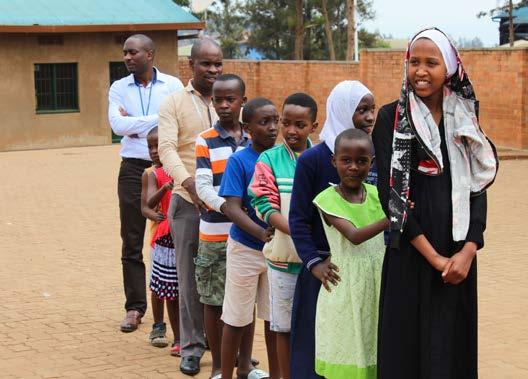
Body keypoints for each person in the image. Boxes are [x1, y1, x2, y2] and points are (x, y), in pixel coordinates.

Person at [372, 27, 498, 378]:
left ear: (450, 69)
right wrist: (436, 258)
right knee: (407, 350)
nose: (421, 71)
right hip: (412, 253)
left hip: (458, 257)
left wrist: (468, 251)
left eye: (431, 62)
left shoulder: (466, 117)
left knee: (450, 349)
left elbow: (478, 188)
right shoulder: (390, 119)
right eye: (414, 62)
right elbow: (391, 195)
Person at [288, 80, 375, 379]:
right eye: (361, 110)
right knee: (317, 346)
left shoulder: (372, 157)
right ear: (342, 110)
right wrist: (314, 263)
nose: (369, 117)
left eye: (371, 109)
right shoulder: (313, 160)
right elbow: (298, 218)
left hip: (365, 273)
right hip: (329, 271)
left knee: (360, 344)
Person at [108, 34, 183, 332]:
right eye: (125, 53)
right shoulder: (118, 88)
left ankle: (181, 306)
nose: (127, 57)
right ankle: (135, 308)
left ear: (149, 54)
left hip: (169, 167)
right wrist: (157, 121)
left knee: (177, 234)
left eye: (133, 52)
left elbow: (175, 122)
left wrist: (136, 124)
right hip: (132, 168)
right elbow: (117, 126)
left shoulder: (173, 86)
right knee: (131, 239)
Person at [158, 37, 223, 376]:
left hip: (225, 207)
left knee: (223, 276)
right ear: (191, 65)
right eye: (206, 64)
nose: (213, 70)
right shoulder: (173, 103)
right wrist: (189, 184)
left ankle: (227, 347)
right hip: (186, 203)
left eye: (218, 64)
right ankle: (193, 347)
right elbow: (167, 149)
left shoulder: (231, 99)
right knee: (189, 279)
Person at [249, 93, 318, 379]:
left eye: (300, 125)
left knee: (315, 327)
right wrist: (300, 232)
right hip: (283, 260)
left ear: (313, 126)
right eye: (285, 123)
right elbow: (263, 206)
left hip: (317, 264)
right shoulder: (270, 159)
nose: (291, 130)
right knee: (283, 328)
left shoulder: (323, 157)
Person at [312, 129, 387, 378]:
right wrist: (394, 217)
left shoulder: (377, 195)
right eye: (346, 160)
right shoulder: (327, 200)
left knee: (373, 348)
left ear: (371, 163)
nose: (353, 167)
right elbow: (354, 237)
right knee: (348, 351)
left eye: (361, 161)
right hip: (346, 290)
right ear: (334, 161)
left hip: (377, 285)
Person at [194, 74, 251, 379]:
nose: (225, 105)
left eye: (231, 99)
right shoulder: (205, 140)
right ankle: (218, 366)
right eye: (218, 100)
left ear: (243, 99)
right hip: (214, 234)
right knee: (213, 301)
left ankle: (244, 363)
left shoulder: (255, 138)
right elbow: (203, 188)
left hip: (247, 238)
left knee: (245, 301)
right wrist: (231, 207)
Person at [219, 97, 280, 379]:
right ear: (247, 127)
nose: (272, 128)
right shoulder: (239, 161)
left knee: (273, 318)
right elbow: (232, 206)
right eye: (264, 122)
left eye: (275, 121)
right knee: (236, 317)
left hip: (277, 252)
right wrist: (259, 231)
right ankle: (227, 373)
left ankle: (274, 372)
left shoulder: (282, 157)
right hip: (245, 247)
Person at [140, 127, 180, 355]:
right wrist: (164, 189)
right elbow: (146, 205)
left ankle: (183, 333)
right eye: (150, 147)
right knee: (158, 286)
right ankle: (158, 326)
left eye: (158, 146)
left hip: (179, 237)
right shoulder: (151, 174)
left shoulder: (178, 170)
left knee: (177, 287)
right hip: (161, 239)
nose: (154, 152)